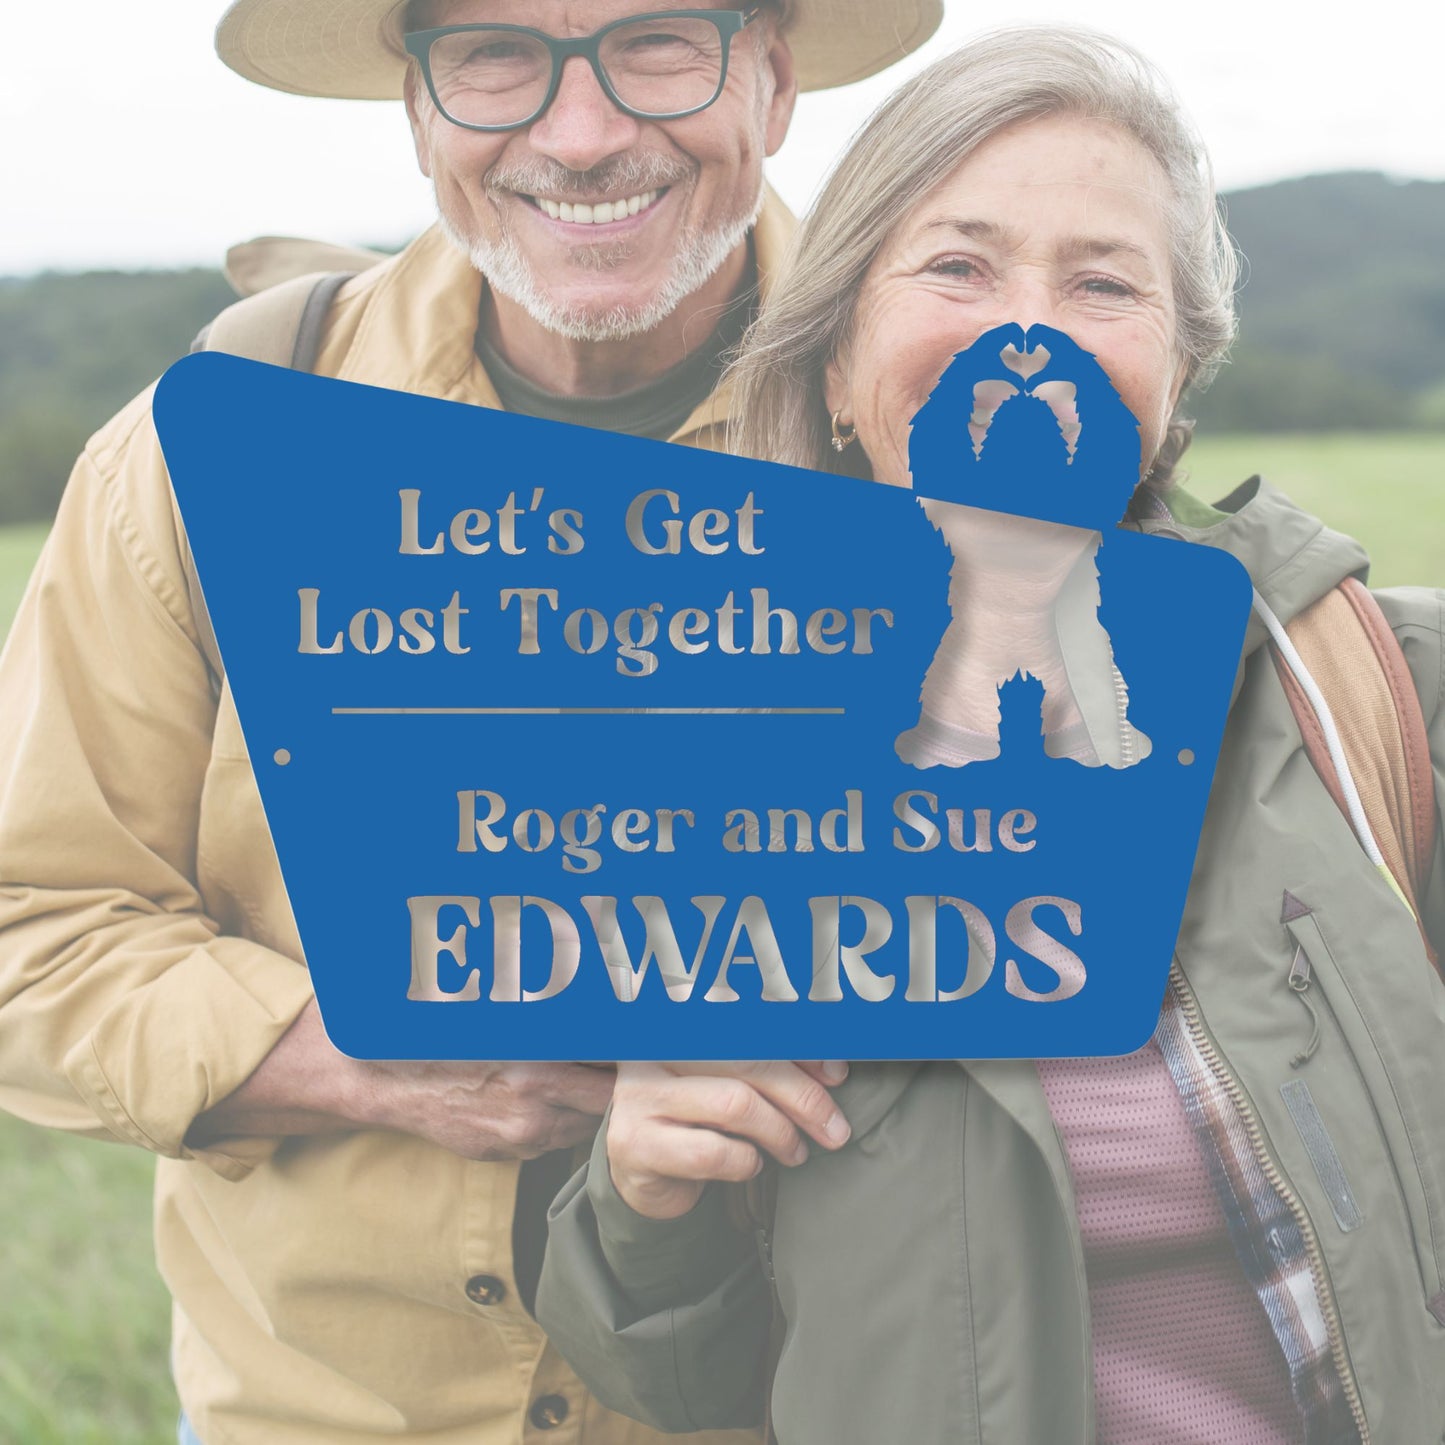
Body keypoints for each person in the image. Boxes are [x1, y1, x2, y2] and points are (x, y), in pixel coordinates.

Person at [0, 3, 943, 1444]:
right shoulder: (204, 450)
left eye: (658, 38)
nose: (583, 133)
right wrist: (370, 1060)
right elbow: (32, 928)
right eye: (495, 52)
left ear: (770, 79)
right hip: (318, 1417)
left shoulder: (934, 427)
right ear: (417, 110)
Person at [536, 27, 1445, 1444]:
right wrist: (647, 1191)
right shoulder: (680, 772)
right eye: (957, 268)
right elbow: (675, 1375)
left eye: (1102, 283)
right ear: (837, 367)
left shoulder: (1375, 689)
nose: (1029, 336)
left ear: (1173, 376)